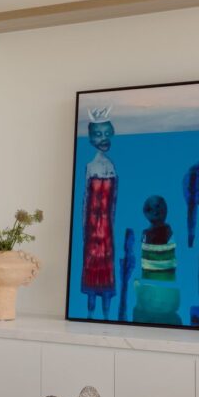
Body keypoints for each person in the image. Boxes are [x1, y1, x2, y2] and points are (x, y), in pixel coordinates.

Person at [81, 107, 117, 319]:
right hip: (94, 232)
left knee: (105, 271)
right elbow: (86, 201)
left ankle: (104, 315)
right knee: (92, 271)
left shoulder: (111, 167)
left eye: (106, 133)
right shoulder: (90, 166)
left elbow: (113, 204)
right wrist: (86, 230)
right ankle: (91, 314)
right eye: (98, 134)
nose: (103, 138)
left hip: (105, 233)